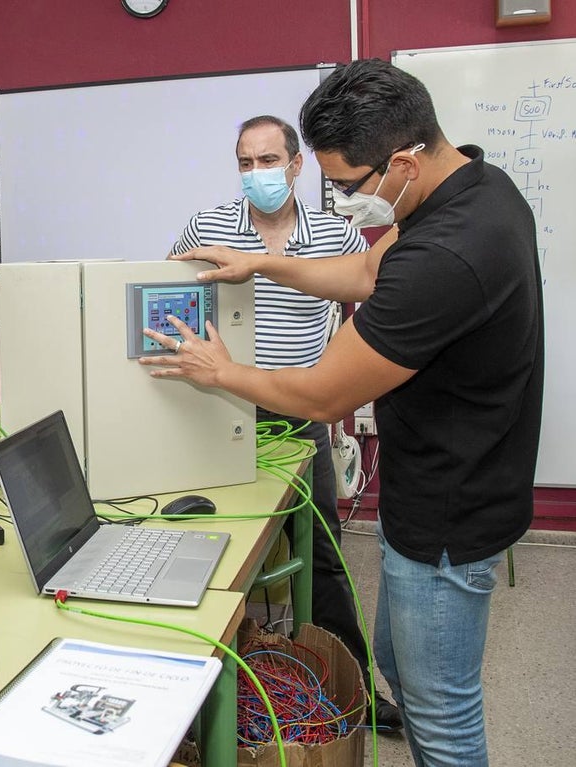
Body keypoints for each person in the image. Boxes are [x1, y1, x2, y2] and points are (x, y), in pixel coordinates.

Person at [143, 59, 543, 767]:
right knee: (398, 656)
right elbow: (363, 272)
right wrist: (257, 263)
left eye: (349, 185)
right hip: (444, 485)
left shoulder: (445, 255)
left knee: (442, 711)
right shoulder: (477, 185)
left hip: (449, 510)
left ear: (402, 163)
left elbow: (327, 394)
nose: (343, 199)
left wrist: (221, 371)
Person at [167, 114, 401, 732]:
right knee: (210, 547)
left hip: (300, 411)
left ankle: (357, 694)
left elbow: (379, 294)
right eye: (245, 163)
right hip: (222, 408)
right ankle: (194, 700)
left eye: (268, 161)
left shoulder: (335, 233)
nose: (256, 174)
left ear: (297, 165)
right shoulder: (207, 226)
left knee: (321, 552)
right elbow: (167, 296)